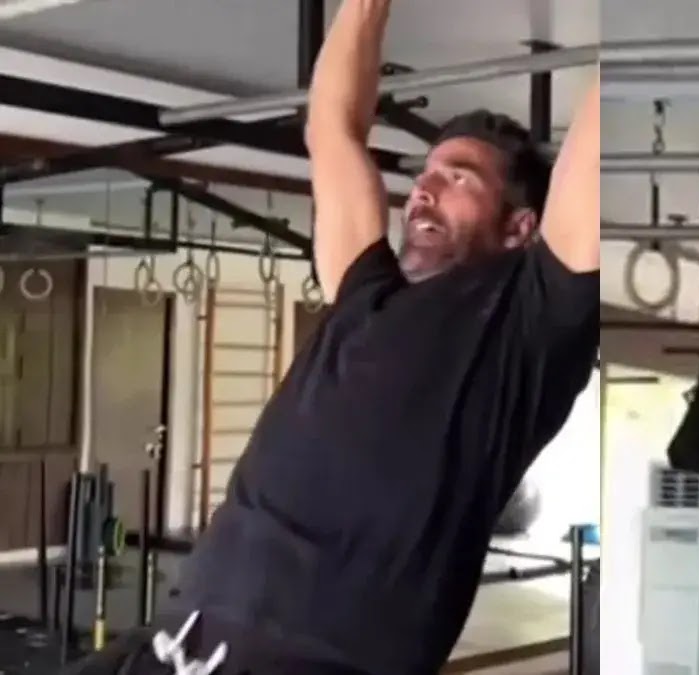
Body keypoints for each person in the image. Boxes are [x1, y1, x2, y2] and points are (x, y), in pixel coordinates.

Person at [63, 0, 599, 673]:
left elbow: (596, 144)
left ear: (520, 227)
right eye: (424, 176)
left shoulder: (530, 324)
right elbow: (332, 128)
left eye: (457, 178)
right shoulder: (363, 289)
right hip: (172, 641)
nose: (425, 190)